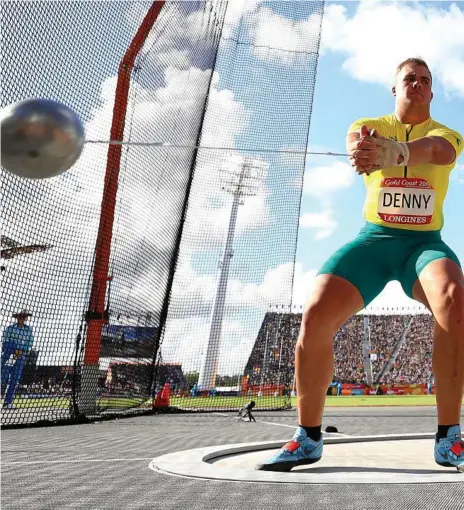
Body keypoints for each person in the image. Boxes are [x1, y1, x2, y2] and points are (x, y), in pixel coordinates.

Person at [256, 57, 464, 472]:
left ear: (432, 91)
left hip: (422, 245)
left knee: (455, 300)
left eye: (425, 80)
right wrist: (364, 150)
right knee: (315, 314)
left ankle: (449, 438)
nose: (418, 85)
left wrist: (398, 151)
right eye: (410, 79)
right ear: (394, 88)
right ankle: (308, 437)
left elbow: (438, 152)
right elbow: (357, 144)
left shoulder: (447, 134)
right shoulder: (369, 123)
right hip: (374, 241)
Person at [1, 309, 34, 410]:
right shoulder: (10, 328)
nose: (23, 319)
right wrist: (13, 349)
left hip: (20, 356)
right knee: (3, 377)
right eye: (21, 317)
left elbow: (29, 343)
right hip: (9, 354)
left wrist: (21, 350)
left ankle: (8, 402)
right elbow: (5, 341)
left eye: (24, 317)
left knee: (14, 379)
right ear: (17, 318)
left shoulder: (28, 330)